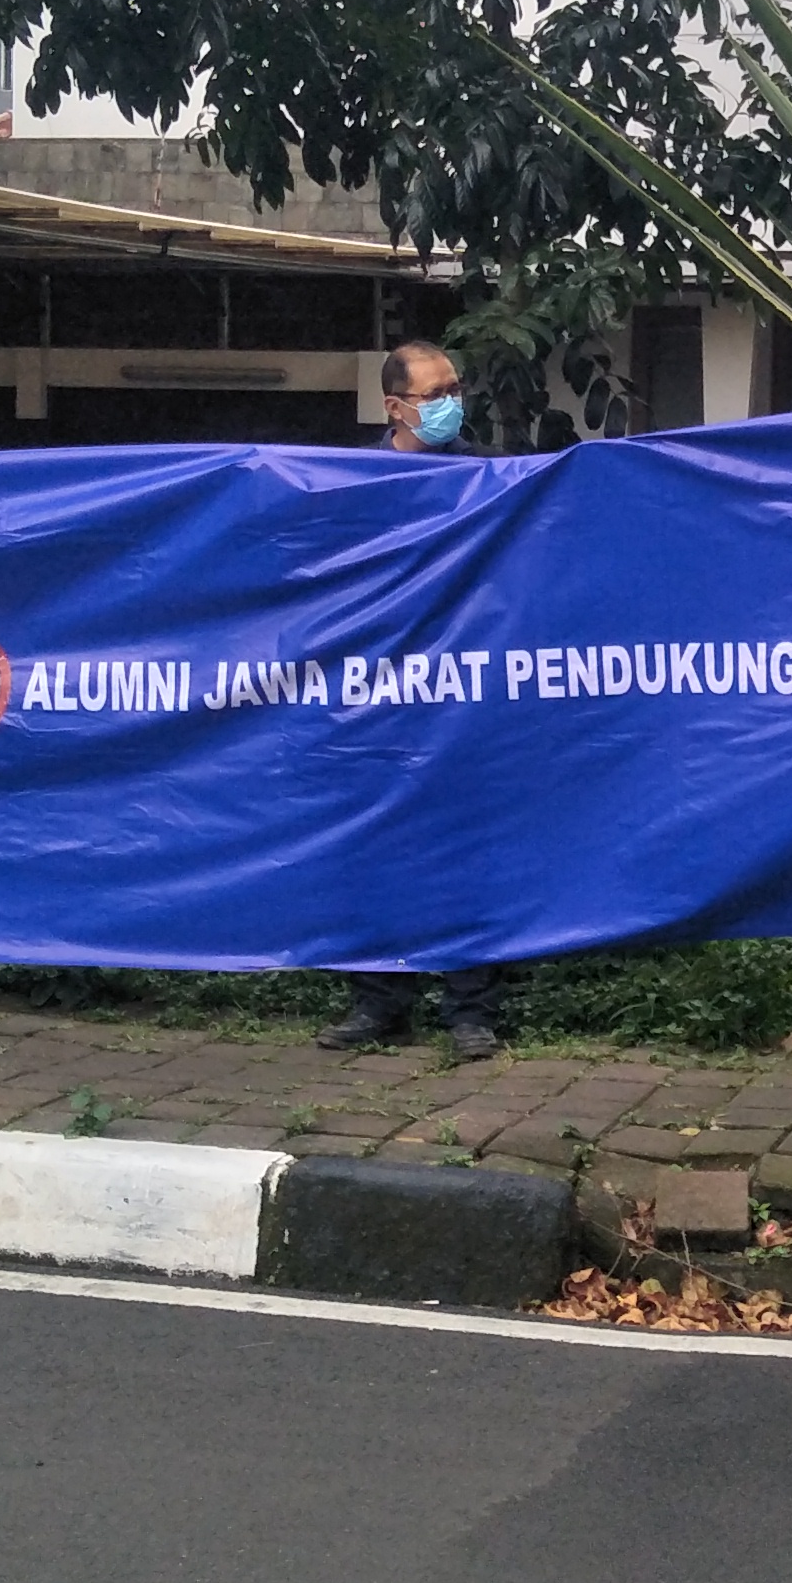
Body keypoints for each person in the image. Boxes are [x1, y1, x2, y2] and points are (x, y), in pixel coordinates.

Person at [317, 339, 511, 1064]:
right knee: (374, 849)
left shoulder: (492, 477)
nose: (451, 403)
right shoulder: (351, 485)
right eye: (436, 394)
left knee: (463, 855)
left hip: (461, 699)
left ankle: (470, 1013)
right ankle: (380, 1003)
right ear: (394, 406)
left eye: (455, 388)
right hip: (377, 700)